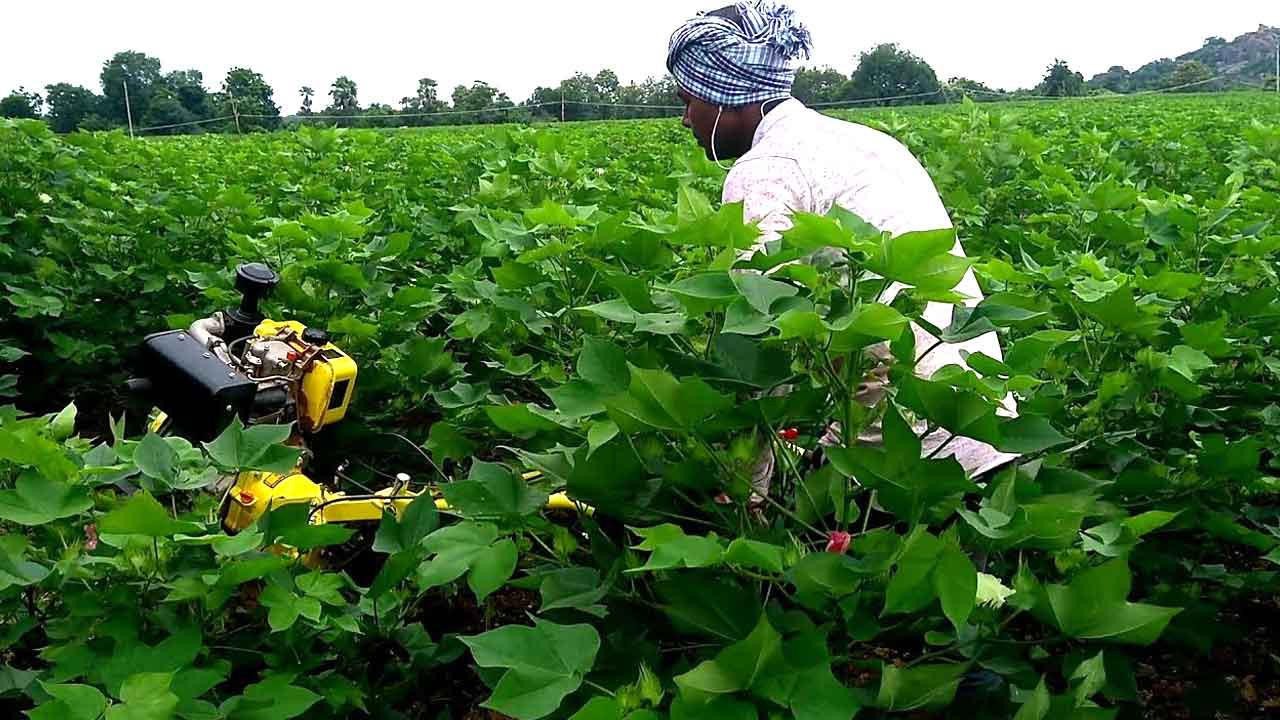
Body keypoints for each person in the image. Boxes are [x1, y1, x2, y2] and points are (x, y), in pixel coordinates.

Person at [666, 1, 1018, 489]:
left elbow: (758, 344)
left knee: (817, 551)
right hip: (980, 422)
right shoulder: (865, 142)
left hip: (897, 452)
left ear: (728, 95)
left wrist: (747, 488)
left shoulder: (765, 170)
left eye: (690, 101)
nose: (685, 119)